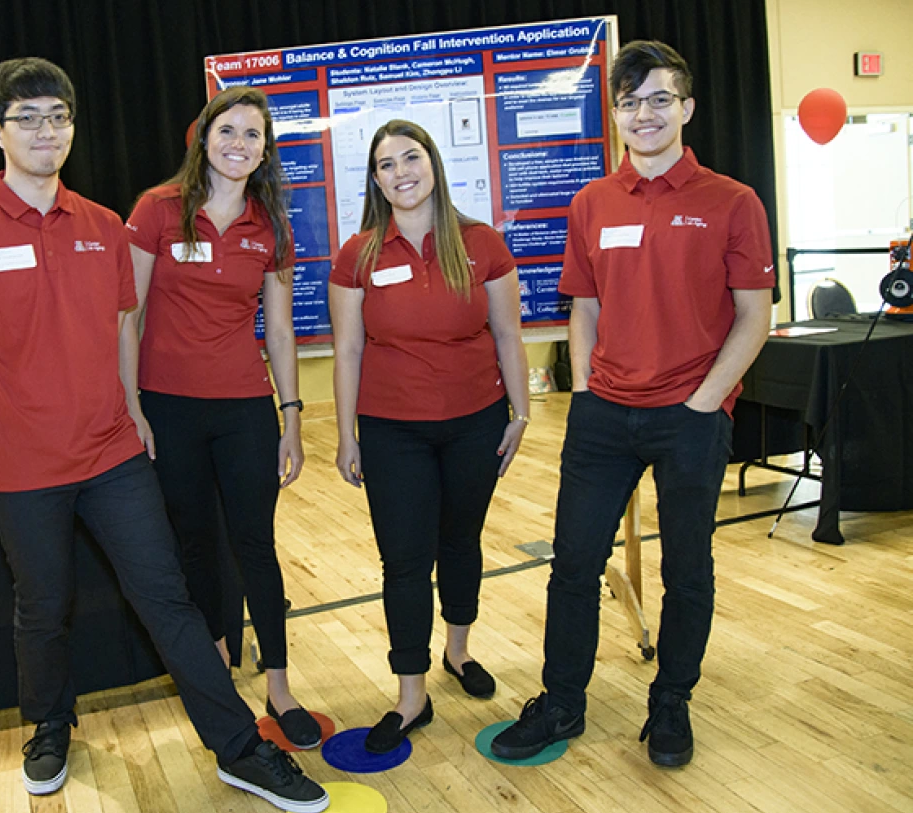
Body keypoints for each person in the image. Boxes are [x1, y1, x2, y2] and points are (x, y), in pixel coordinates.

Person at [0, 58, 327, 813]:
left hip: (112, 454)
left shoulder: (102, 226)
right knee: (43, 605)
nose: (46, 131)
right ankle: (48, 723)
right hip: (21, 466)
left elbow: (120, 328)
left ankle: (240, 748)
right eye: (28, 117)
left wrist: (128, 409)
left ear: (73, 127)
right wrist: (0, 420)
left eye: (58, 116)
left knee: (167, 598)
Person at [491, 40, 775, 768]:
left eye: (658, 99)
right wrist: (587, 391)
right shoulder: (593, 202)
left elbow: (754, 313)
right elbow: (582, 306)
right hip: (603, 417)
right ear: (613, 113)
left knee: (688, 569)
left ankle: (671, 700)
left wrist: (705, 401)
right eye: (629, 101)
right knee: (573, 565)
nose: (643, 114)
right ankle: (562, 702)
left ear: (685, 108)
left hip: (691, 418)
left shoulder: (732, 201)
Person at [122, 85, 320, 750]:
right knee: (195, 543)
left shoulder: (272, 223)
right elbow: (129, 315)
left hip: (243, 407)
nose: (239, 144)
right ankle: (217, 676)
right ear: (203, 136)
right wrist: (129, 405)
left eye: (252, 135)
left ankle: (280, 683)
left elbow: (283, 329)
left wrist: (291, 415)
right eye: (227, 131)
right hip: (169, 407)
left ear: (266, 149)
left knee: (254, 545)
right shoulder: (157, 210)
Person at [329, 120, 530, 754]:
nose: (400, 172)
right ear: (376, 180)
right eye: (386, 165)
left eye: (410, 157)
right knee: (406, 560)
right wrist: (345, 434)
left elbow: (507, 336)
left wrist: (520, 413)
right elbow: (348, 351)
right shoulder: (357, 255)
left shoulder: (481, 243)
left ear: (434, 163)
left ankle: (459, 651)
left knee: (461, 542)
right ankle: (411, 694)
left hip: (477, 421)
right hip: (392, 431)